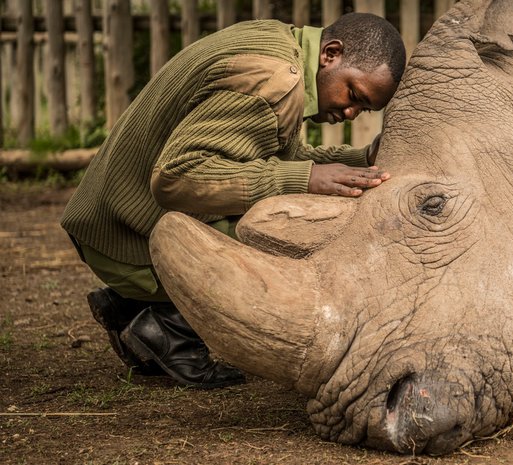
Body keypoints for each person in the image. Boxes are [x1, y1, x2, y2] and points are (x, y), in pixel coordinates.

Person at [60, 13, 406, 389]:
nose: (351, 112)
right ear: (331, 54)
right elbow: (176, 177)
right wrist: (304, 179)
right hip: (124, 239)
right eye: (354, 94)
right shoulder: (274, 81)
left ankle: (134, 305)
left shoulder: (279, 45)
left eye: (365, 109)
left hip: (109, 220)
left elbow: (271, 158)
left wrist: (361, 160)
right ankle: (167, 326)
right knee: (300, 235)